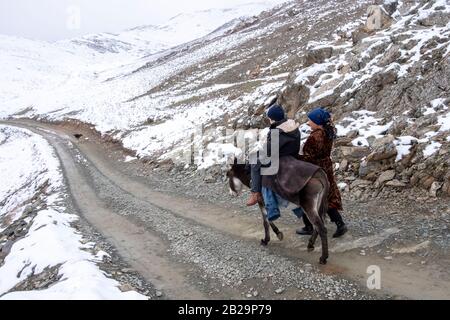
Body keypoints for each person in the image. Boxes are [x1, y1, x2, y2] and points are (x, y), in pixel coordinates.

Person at [296, 107, 348, 238]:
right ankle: (340, 224)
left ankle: (308, 226)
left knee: (307, 196)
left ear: (317, 122)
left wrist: (296, 158)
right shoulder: (327, 131)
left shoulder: (316, 136)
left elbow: (309, 156)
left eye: (310, 120)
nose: (308, 123)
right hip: (326, 168)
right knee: (328, 196)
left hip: (314, 170)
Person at [246, 104, 301, 207]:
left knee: (254, 161)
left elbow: (268, 151)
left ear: (272, 118)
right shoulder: (292, 126)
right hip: (292, 155)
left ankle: (255, 193)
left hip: (281, 158)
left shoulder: (278, 131)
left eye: (269, 118)